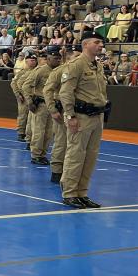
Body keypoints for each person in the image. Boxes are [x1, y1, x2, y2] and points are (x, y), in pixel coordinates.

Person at [58, 30, 108, 208]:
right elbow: (65, 92)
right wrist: (70, 116)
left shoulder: (98, 65)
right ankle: (70, 193)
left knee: (91, 156)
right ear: (85, 44)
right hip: (80, 117)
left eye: (101, 43)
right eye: (97, 42)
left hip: (97, 116)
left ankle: (82, 192)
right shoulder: (76, 65)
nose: (101, 45)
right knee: (76, 155)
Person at [23, 50, 62, 165]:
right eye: (56, 59)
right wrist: (30, 102)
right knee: (39, 131)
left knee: (49, 132)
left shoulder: (59, 71)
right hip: (41, 105)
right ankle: (36, 155)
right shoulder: (41, 71)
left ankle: (43, 154)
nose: (58, 61)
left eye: (59, 59)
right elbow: (26, 86)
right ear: (48, 59)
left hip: (53, 105)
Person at [43, 47, 73, 183]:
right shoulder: (60, 71)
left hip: (77, 111)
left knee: (75, 144)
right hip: (62, 110)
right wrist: (53, 110)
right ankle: (57, 171)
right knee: (61, 141)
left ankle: (69, 171)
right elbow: (47, 90)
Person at [10, 50, 37, 143]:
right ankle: (21, 133)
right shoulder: (22, 72)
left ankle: (30, 133)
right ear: (26, 61)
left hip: (34, 97)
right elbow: (14, 83)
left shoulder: (37, 71)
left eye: (34, 60)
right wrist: (18, 94)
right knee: (23, 115)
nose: (33, 62)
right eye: (31, 60)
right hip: (23, 97)